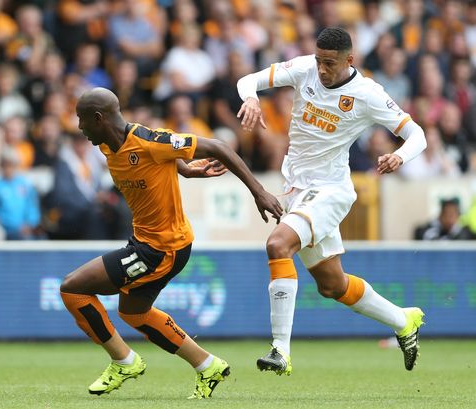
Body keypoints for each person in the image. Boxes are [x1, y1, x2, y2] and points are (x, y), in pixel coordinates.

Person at [60, 87, 282, 399]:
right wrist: (186, 170)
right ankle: (208, 366)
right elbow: (161, 162)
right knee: (134, 313)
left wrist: (259, 192)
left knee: (72, 288)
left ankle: (123, 361)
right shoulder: (109, 146)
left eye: (82, 120)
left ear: (99, 118)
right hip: (151, 242)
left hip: (160, 249)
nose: (80, 128)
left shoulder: (151, 140)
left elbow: (218, 147)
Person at [236, 27, 428, 375]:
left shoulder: (367, 93)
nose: (322, 69)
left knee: (278, 245)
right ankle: (403, 320)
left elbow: (418, 134)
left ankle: (280, 350)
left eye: (330, 63)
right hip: (297, 190)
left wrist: (400, 156)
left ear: (349, 60)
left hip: (330, 191)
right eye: (319, 61)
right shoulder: (305, 68)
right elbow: (248, 79)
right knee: (332, 286)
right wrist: (250, 98)